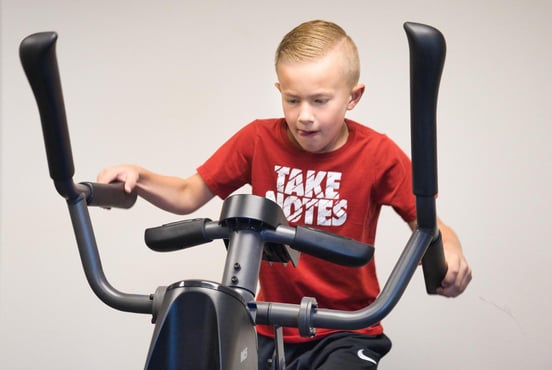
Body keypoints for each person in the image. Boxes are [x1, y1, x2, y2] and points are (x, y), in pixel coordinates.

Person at [98, 19, 472, 370]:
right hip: (265, 323)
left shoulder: (378, 153)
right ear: (279, 91)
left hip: (346, 328)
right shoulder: (259, 140)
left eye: (319, 101)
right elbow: (186, 194)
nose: (304, 116)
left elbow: (427, 223)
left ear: (353, 97)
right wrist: (140, 176)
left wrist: (450, 249)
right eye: (292, 100)